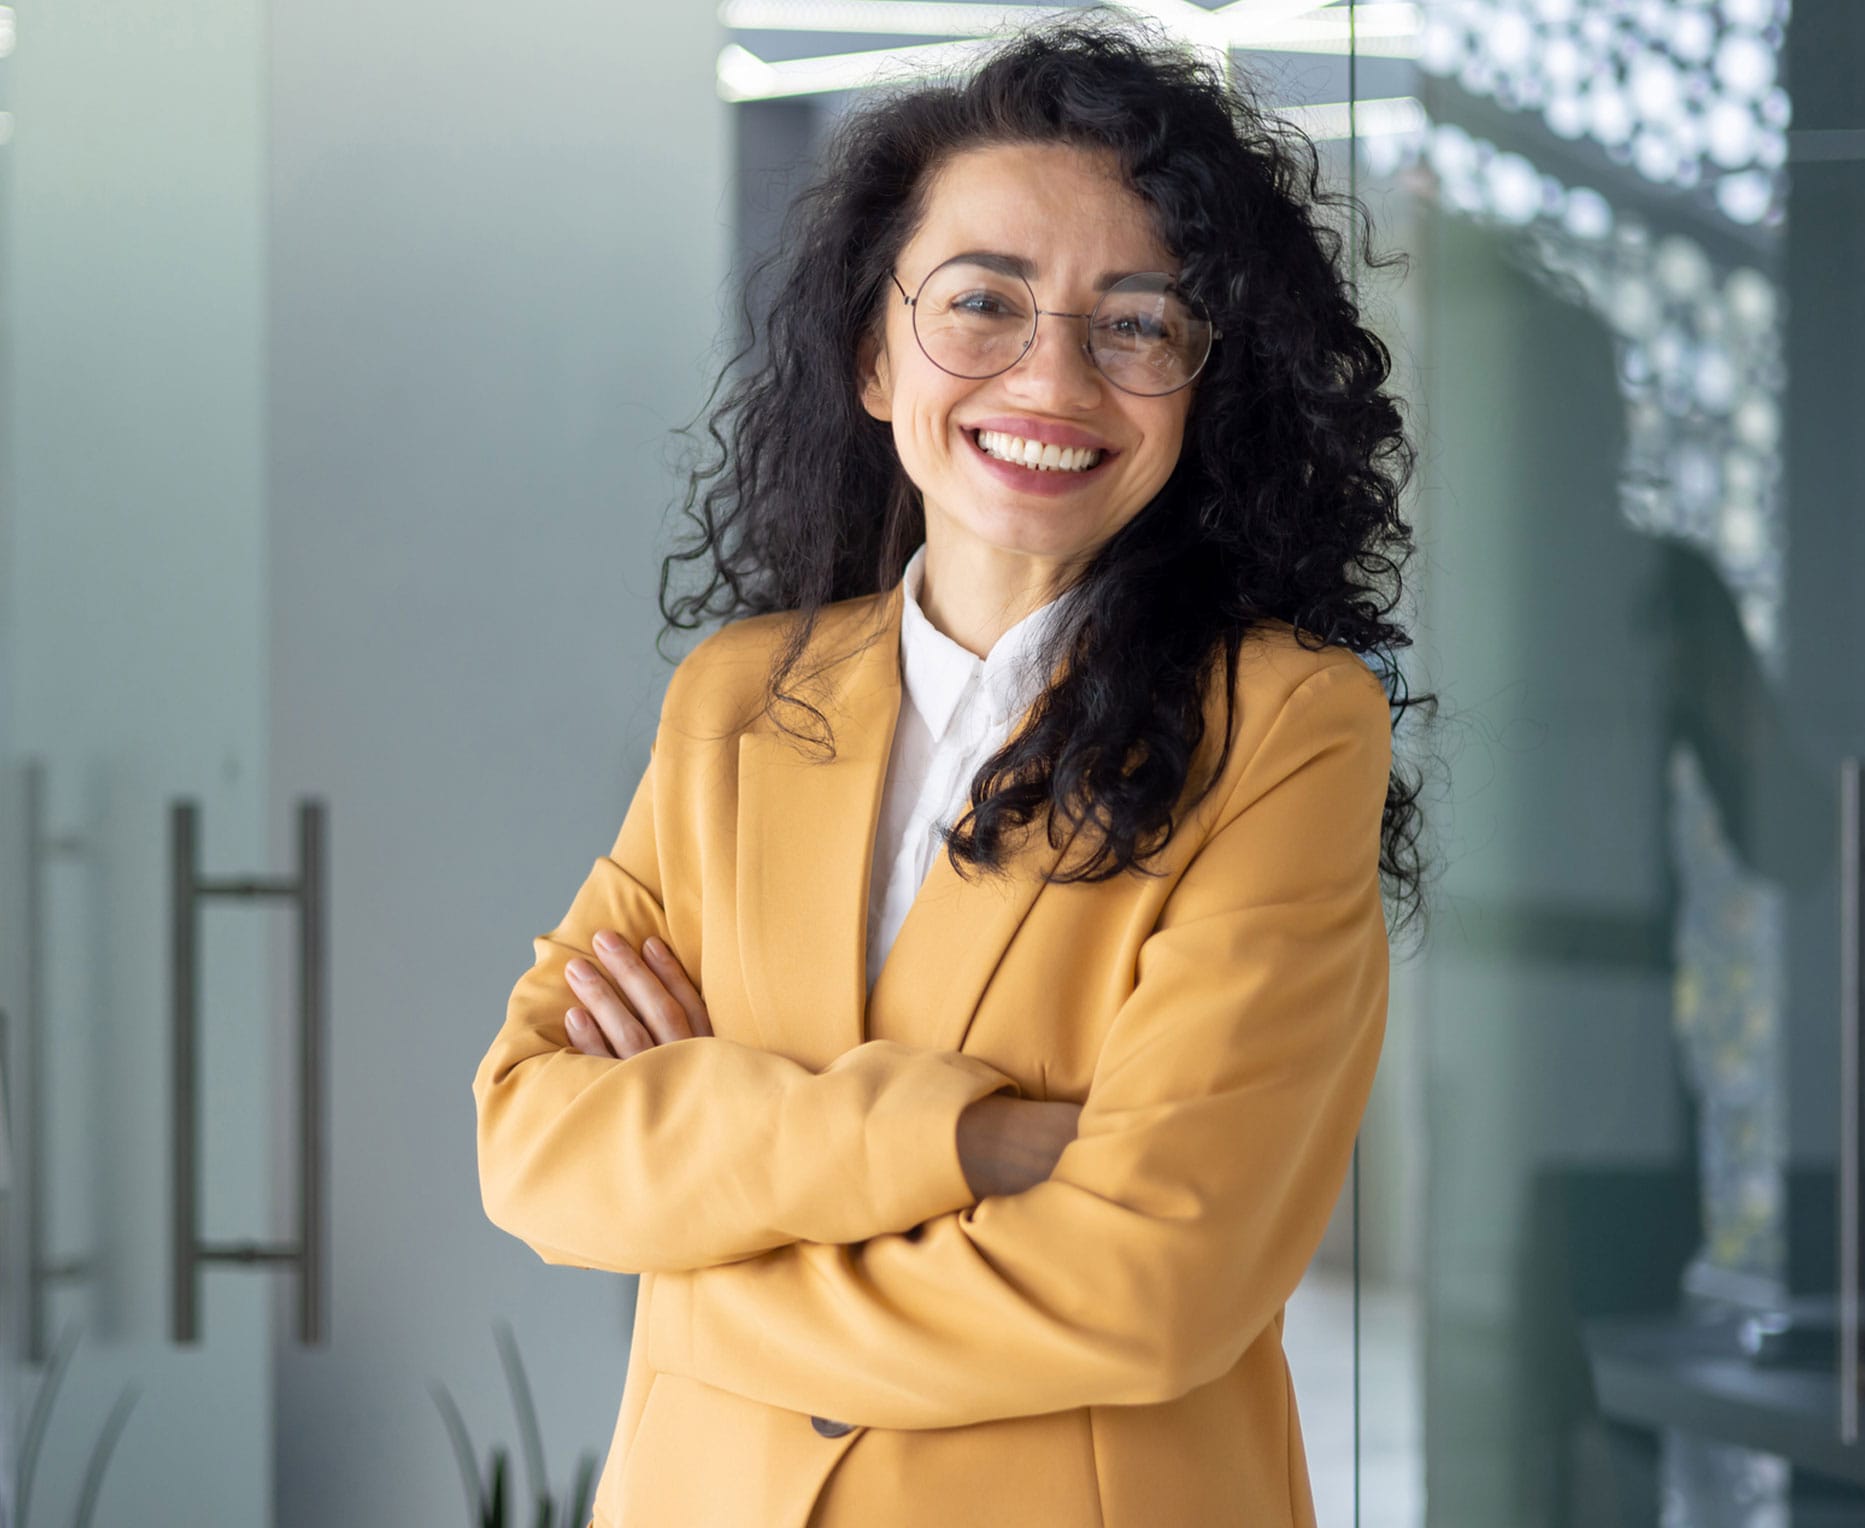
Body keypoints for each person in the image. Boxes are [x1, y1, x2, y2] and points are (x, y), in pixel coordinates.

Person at [471, 14, 1430, 1526]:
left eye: (1136, 323)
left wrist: (703, 1263)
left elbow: (1151, 1280)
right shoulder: (740, 702)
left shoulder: (1285, 727)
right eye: (983, 301)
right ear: (874, 353)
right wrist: (969, 1139)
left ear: (1206, 384)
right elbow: (534, 1139)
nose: (1053, 377)